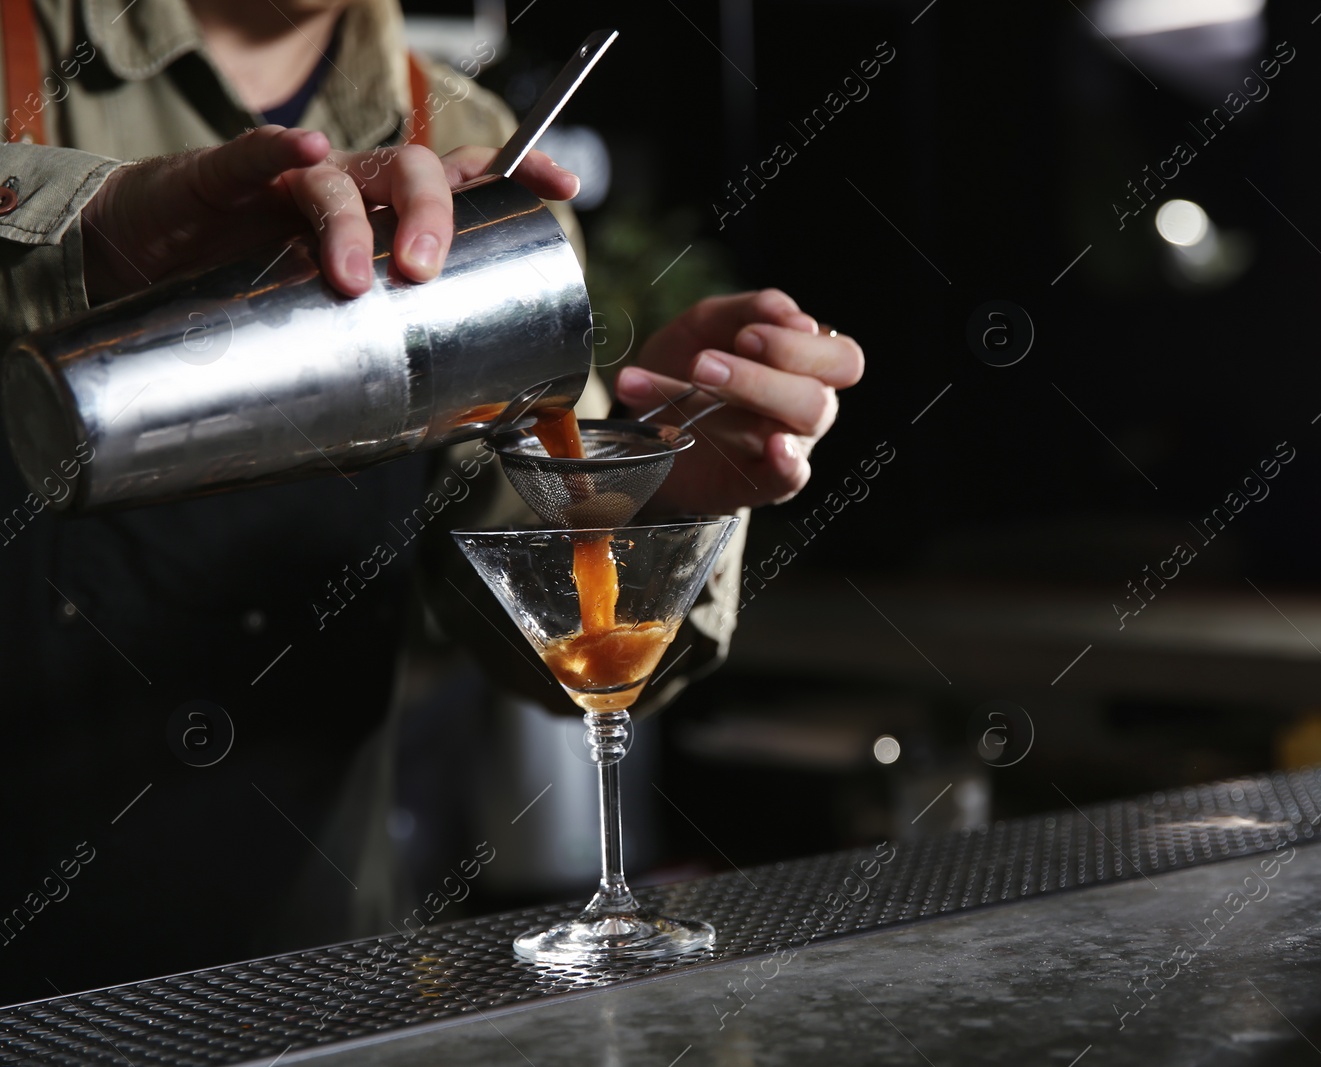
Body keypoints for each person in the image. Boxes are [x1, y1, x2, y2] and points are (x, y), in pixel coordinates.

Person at [0, 0, 864, 1004]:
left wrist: (659, 476)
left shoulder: (458, 139)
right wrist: (87, 237)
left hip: (312, 976)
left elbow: (525, 600)